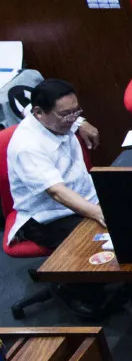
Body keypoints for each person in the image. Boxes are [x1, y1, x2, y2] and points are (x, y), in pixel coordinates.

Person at [6, 78, 102, 250]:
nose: (73, 119)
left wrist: (82, 122)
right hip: (49, 216)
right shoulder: (27, 146)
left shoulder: (58, 120)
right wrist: (98, 213)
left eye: (76, 111)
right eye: (66, 114)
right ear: (38, 113)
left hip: (85, 195)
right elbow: (57, 192)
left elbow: (71, 118)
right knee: (101, 241)